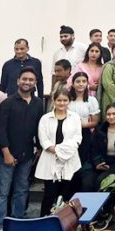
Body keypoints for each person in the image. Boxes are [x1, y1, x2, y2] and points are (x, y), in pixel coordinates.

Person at [0, 67, 44, 231]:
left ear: (35, 83)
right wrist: (6, 153)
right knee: (2, 192)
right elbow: (1, 130)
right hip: (6, 154)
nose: (27, 82)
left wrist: (39, 148)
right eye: (24, 79)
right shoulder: (7, 103)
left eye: (31, 80)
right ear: (18, 81)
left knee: (22, 190)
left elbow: (38, 128)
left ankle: (17, 220)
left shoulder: (38, 103)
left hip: (27, 155)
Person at [35, 88, 82, 216]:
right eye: (59, 100)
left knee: (66, 196)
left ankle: (66, 226)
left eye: (65, 100)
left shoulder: (75, 117)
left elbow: (77, 138)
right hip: (50, 161)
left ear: (69, 101)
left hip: (70, 161)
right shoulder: (45, 118)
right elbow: (43, 140)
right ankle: (44, 223)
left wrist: (64, 152)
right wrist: (57, 150)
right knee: (49, 196)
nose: (62, 103)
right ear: (54, 101)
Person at [67, 72, 100, 192]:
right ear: (73, 83)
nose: (81, 84)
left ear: (87, 84)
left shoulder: (91, 100)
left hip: (84, 134)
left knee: (82, 162)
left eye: (83, 81)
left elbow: (95, 121)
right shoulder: (68, 99)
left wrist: (82, 124)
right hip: (68, 135)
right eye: (78, 81)